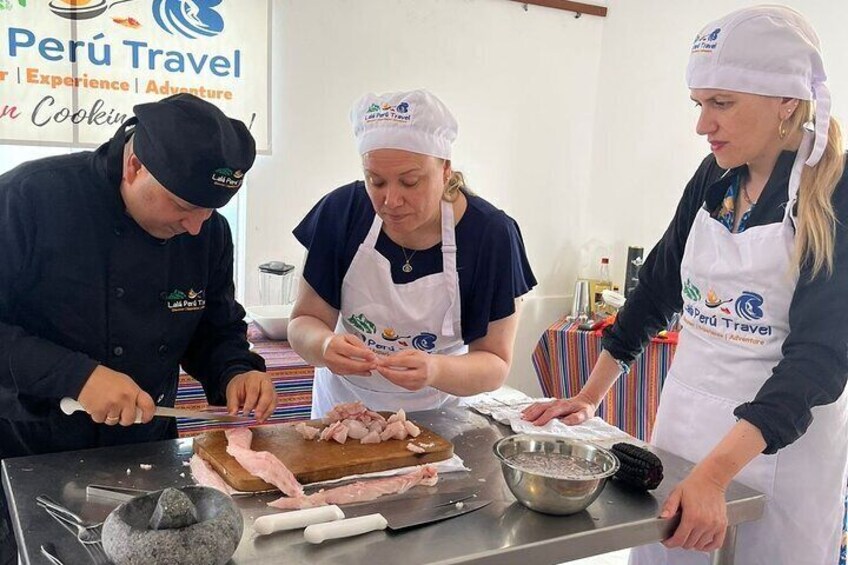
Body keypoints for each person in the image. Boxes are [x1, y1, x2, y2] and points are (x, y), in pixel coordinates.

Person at [523, 6, 848, 565]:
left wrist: (716, 475)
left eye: (722, 103)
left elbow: (819, 360)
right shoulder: (715, 177)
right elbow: (656, 289)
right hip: (682, 429)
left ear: (786, 101)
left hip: (776, 451)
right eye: (699, 104)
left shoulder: (835, 192)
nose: (703, 125)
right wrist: (589, 396)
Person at [0, 93, 278, 563]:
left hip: (146, 453)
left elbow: (215, 326)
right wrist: (76, 377)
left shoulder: (206, 231)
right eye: (183, 206)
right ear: (134, 166)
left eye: (211, 211)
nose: (196, 228)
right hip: (27, 452)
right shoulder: (27, 199)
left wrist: (236, 370)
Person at [288, 89, 536, 418]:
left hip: (438, 418)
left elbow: (494, 364)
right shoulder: (342, 212)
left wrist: (435, 370)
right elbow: (304, 322)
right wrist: (323, 345)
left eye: (410, 182)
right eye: (376, 181)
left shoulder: (491, 235)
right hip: (342, 410)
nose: (391, 201)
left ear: (445, 170)